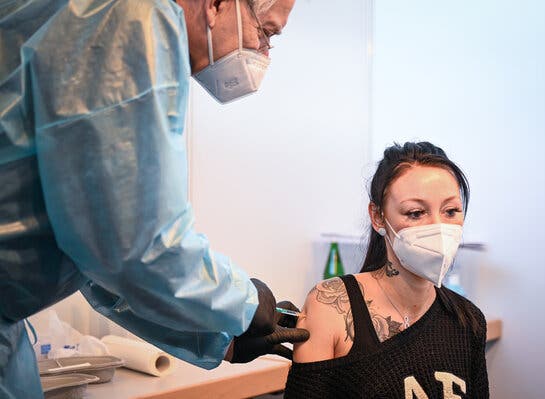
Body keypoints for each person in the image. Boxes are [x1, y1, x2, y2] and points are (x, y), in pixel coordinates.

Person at [0, 0, 306, 397]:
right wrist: (245, 303)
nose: (264, 54)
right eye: (265, 33)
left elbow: (95, 251)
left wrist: (220, 337)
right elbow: (136, 246)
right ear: (215, 4)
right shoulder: (131, 13)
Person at [285, 142, 489, 398]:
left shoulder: (467, 321)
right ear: (378, 217)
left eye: (451, 211)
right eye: (416, 213)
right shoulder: (332, 305)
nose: (438, 227)